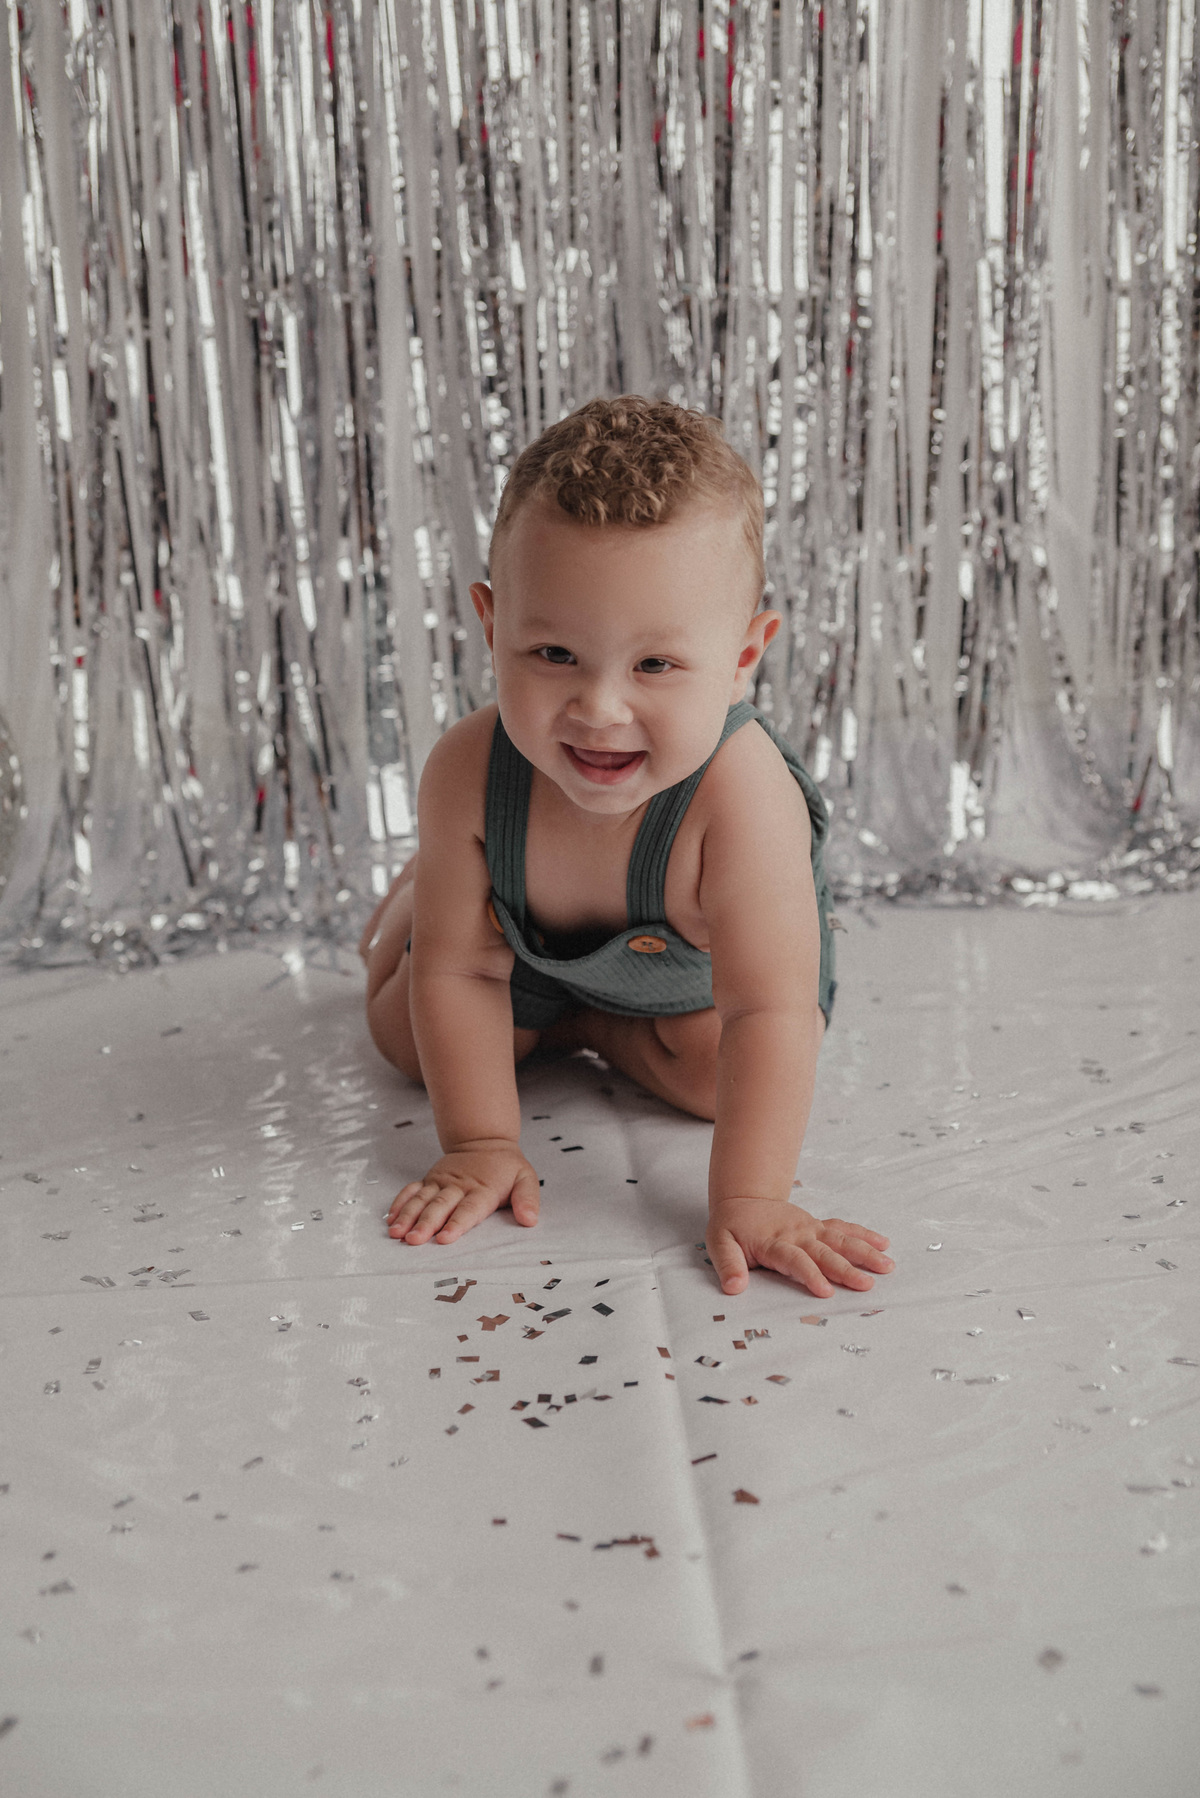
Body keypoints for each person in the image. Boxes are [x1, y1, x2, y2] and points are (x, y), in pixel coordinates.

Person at [359, 397, 892, 1300]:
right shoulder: (467, 771)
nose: (600, 709)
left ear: (744, 655)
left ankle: (587, 1024)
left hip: (687, 983)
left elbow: (767, 1008)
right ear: (492, 624)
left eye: (654, 665)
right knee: (403, 1034)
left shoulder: (741, 798)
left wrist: (752, 1199)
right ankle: (424, 894)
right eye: (554, 653)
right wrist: (480, 1142)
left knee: (721, 1082)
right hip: (511, 951)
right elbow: (460, 971)